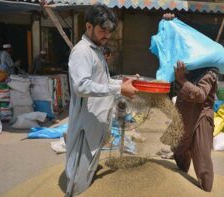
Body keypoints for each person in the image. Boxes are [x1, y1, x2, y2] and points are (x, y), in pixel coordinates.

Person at [66, 4, 138, 196]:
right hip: (85, 126)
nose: (107, 35)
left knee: (89, 170)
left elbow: (101, 82)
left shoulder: (96, 50)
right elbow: (81, 86)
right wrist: (117, 87)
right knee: (78, 179)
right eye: (102, 30)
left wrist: (121, 82)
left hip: (97, 123)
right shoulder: (82, 51)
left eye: (109, 30)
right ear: (89, 27)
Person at [163, 13, 218, 192]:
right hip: (184, 115)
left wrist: (181, 80)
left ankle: (205, 190)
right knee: (179, 151)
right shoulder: (188, 63)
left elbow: (201, 95)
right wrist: (169, 22)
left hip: (201, 117)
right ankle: (181, 186)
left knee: (201, 158)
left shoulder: (209, 70)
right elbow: (173, 39)